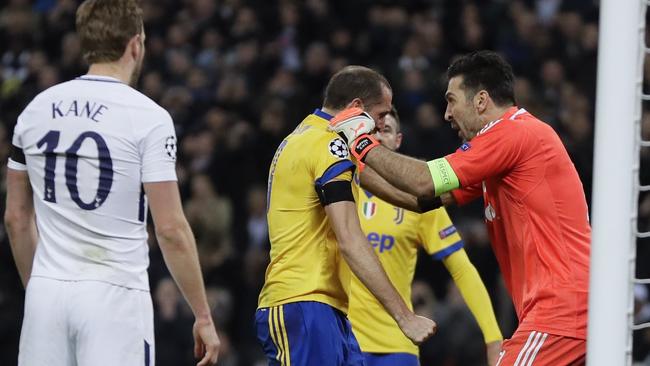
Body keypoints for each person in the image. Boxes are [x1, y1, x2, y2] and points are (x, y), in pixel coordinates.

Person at [330, 51, 590, 366]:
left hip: (560, 311)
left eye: (452, 101)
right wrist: (353, 168)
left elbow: (424, 181)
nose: (447, 114)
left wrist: (361, 142)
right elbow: (418, 200)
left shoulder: (512, 133)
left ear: (480, 101)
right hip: (566, 309)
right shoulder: (504, 152)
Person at [4, 1, 220, 365]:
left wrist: (39, 289)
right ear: (135, 44)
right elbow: (169, 228)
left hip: (46, 294)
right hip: (113, 297)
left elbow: (15, 218)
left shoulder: (35, 111)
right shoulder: (148, 118)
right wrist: (203, 314)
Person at [256, 65, 436, 365]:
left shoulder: (317, 138)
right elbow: (350, 240)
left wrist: (468, 181)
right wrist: (404, 317)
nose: (380, 127)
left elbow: (411, 196)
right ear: (356, 109)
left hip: (326, 309)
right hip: (303, 305)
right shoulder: (328, 146)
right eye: (381, 115)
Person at [347, 107, 503, 366]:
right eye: (371, 132)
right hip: (342, 341)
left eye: (385, 131)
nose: (377, 138)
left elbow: (462, 269)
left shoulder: (418, 202)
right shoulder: (340, 187)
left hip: (396, 344)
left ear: (398, 141)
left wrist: (493, 337)